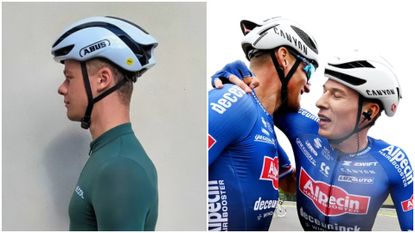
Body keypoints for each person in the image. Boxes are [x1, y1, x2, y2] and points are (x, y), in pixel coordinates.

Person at [212, 52, 413, 230]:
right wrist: (232, 79)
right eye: (325, 91)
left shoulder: (393, 162)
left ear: (370, 111)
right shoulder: (302, 127)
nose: (320, 102)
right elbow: (260, 98)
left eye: (336, 95)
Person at [208, 16, 319, 230]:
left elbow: (289, 183)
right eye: (309, 70)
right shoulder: (238, 101)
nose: (308, 85)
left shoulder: (263, 120)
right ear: (284, 58)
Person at [51, 16, 158, 230]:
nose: (62, 88)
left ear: (102, 79)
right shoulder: (108, 153)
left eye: (69, 77)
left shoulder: (120, 168)